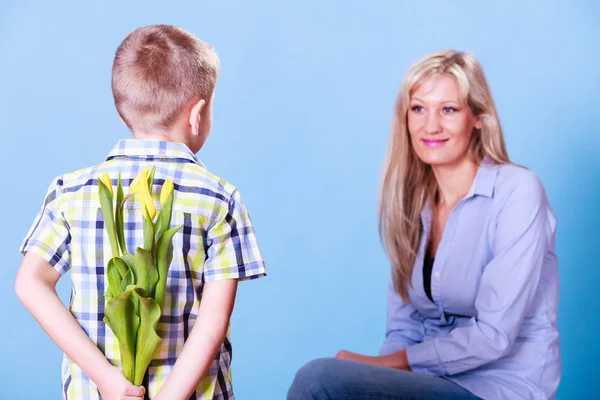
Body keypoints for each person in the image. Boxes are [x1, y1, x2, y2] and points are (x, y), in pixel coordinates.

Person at [288, 50, 560, 400]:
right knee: (335, 380)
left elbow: (494, 335)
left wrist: (384, 365)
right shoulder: (414, 204)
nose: (430, 126)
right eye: (418, 109)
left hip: (500, 387)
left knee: (319, 378)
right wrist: (372, 371)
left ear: (477, 117)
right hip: (429, 382)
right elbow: (404, 326)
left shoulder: (517, 192)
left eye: (448, 109)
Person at [15, 25, 266, 400]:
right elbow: (214, 320)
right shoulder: (219, 198)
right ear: (197, 113)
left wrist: (106, 378)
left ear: (123, 112)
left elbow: (30, 283)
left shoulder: (70, 192)